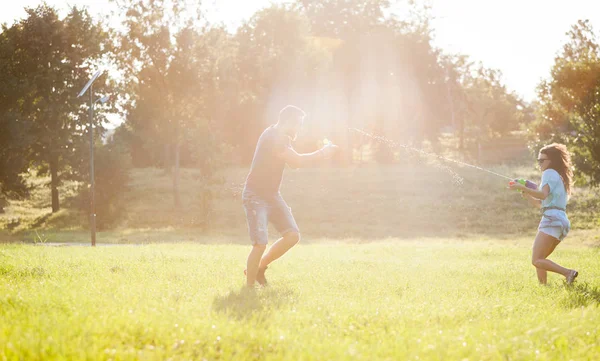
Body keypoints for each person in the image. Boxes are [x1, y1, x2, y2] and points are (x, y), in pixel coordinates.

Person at [243, 105, 338, 287]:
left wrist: (319, 152)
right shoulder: (273, 137)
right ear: (288, 122)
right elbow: (298, 161)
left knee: (292, 236)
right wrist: (323, 153)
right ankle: (248, 290)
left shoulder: (281, 137)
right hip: (255, 196)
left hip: (272, 195)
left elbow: (293, 164)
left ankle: (258, 268)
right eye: (298, 124)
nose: (300, 129)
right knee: (260, 243)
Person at [510, 143, 578, 285]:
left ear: (551, 161)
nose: (539, 163)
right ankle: (543, 287)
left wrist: (523, 187)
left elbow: (542, 194)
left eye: (542, 160)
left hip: (552, 220)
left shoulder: (549, 173)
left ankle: (568, 273)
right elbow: (542, 204)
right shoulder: (559, 177)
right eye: (538, 160)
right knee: (541, 259)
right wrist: (528, 195)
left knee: (536, 259)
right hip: (561, 221)